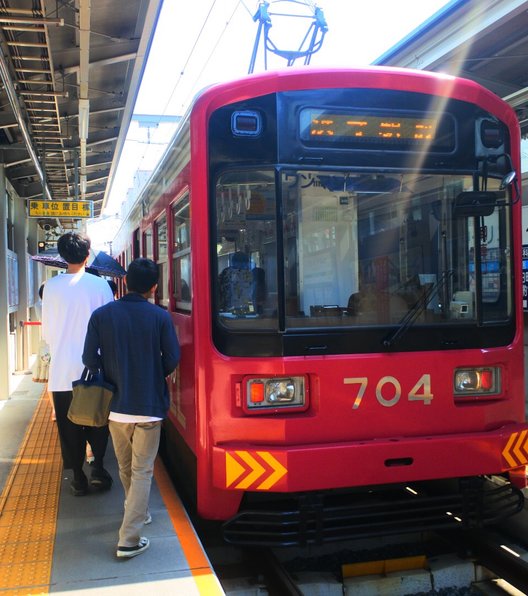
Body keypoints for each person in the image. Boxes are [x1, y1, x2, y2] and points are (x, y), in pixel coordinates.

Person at [82, 258, 180, 559]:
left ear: (125, 283)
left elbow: (88, 358)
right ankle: (129, 537)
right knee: (142, 471)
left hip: (116, 407)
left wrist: (110, 373)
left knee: (127, 467)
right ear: (154, 287)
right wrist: (152, 372)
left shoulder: (101, 315)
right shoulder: (160, 317)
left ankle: (137, 512)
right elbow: (172, 358)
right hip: (149, 407)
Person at [41, 232, 114, 496]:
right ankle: (98, 470)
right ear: (87, 254)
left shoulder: (51, 287)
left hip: (61, 371)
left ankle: (77, 477)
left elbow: (47, 333)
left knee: (67, 424)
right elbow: (109, 328)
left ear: (62, 257)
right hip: (94, 368)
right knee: (97, 420)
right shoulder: (101, 286)